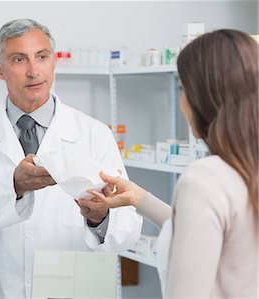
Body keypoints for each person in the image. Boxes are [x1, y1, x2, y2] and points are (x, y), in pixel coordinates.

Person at [0, 19, 142, 298]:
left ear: (54, 61)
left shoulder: (94, 133)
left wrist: (101, 217)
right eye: (19, 59)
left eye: (42, 57)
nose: (34, 71)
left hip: (73, 288)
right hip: (0, 289)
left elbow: (128, 228)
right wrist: (14, 186)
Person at [80, 29, 258, 298]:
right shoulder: (245, 168)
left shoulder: (206, 177)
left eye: (183, 89)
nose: (183, 101)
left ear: (203, 97)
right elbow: (223, 236)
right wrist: (140, 199)